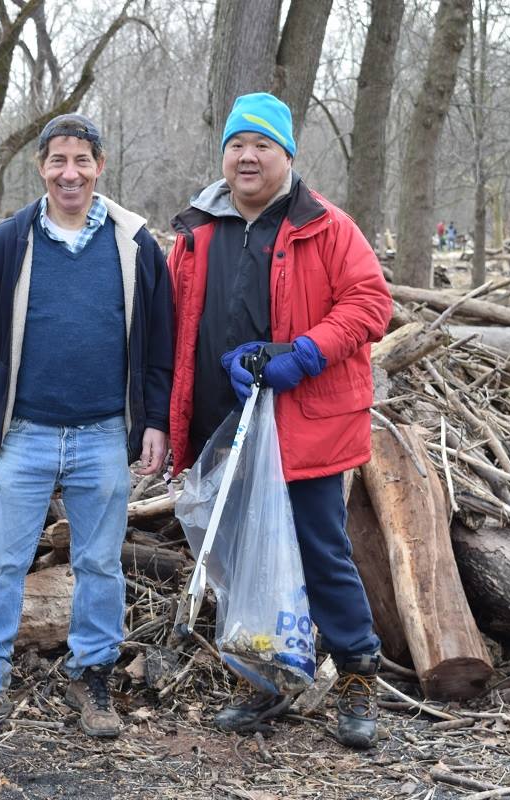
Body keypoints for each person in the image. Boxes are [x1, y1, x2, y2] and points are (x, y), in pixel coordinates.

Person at [166, 93, 393, 749]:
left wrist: (306, 352)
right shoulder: (198, 229)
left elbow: (371, 302)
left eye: (262, 144)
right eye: (237, 144)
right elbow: (179, 329)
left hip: (305, 425)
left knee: (322, 554)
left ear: (286, 155)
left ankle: (357, 678)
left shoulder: (325, 226)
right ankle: (265, 681)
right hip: (224, 427)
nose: (247, 156)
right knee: (242, 561)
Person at [0, 113, 173, 738]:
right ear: (41, 167)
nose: (70, 173)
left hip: (103, 434)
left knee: (100, 564)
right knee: (1, 564)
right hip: (24, 433)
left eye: (82, 161)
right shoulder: (7, 243)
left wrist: (153, 421)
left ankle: (91, 679)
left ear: (100, 165)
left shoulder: (135, 245)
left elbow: (159, 348)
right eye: (57, 162)